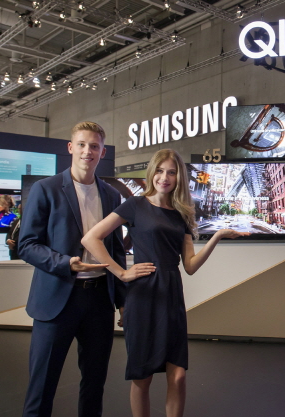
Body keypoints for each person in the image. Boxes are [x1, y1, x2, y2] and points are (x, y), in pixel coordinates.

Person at [81, 149, 248, 417]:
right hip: (143, 295)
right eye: (159, 171)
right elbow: (91, 238)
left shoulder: (181, 214)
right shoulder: (135, 205)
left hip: (171, 296)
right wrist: (121, 273)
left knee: (178, 376)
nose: (164, 177)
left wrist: (216, 236)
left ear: (179, 177)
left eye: (171, 172)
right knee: (142, 376)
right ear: (152, 173)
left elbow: (190, 266)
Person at [18, 121, 126, 417]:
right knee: (42, 387)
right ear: (70, 147)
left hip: (99, 301)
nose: (87, 151)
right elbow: (26, 245)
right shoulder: (45, 189)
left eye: (94, 146)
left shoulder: (111, 195)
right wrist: (65, 264)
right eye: (81, 144)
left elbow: (116, 249)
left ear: (102, 152)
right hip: (57, 299)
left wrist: (123, 301)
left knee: (94, 384)